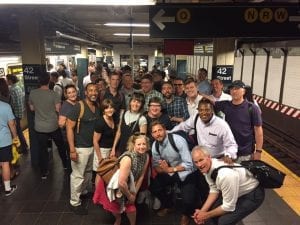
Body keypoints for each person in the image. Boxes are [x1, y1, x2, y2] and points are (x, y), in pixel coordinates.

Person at [150, 121, 208, 225]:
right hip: (170, 171)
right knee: (154, 187)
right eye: (155, 132)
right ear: (152, 135)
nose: (158, 133)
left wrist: (169, 170)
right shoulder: (155, 146)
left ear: (165, 131)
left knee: (188, 200)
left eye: (160, 130)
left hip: (187, 172)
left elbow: (189, 164)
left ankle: (186, 215)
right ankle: (169, 205)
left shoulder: (178, 140)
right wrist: (163, 170)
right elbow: (156, 166)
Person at [191, 146, 265, 225]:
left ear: (209, 157)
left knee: (224, 222)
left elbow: (228, 207)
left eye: (201, 160)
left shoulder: (224, 175)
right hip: (237, 189)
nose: (199, 165)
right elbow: (214, 189)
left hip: (253, 194)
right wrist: (203, 211)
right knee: (212, 214)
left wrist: (206, 215)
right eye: (196, 162)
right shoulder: (207, 168)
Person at [93, 133, 150, 225]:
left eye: (144, 144)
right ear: (133, 145)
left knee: (130, 207)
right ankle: (118, 219)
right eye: (139, 144)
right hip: (115, 184)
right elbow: (121, 183)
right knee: (114, 205)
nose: (142, 147)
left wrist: (134, 193)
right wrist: (130, 195)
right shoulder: (128, 159)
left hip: (127, 183)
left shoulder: (146, 157)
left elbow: (142, 175)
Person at [66, 83, 101, 215]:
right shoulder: (78, 106)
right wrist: (72, 149)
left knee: (88, 172)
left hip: (92, 146)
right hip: (80, 147)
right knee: (77, 176)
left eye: (95, 90)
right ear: (86, 93)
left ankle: (84, 192)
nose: (93, 93)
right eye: (90, 90)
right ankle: (74, 202)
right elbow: (69, 127)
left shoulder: (97, 106)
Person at [171, 98, 238, 162]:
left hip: (217, 159)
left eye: (207, 110)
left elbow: (232, 145)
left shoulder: (222, 125)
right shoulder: (196, 118)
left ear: (212, 110)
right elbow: (183, 126)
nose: (204, 113)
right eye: (201, 110)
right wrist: (169, 133)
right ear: (198, 110)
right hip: (201, 158)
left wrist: (228, 155)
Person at [29, 72, 68, 179]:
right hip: (53, 125)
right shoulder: (53, 94)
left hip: (40, 127)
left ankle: (44, 172)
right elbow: (58, 109)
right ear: (49, 80)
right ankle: (65, 165)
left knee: (43, 150)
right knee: (60, 146)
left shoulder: (33, 93)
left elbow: (32, 108)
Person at [214, 80, 263, 162]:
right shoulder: (226, 105)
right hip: (228, 152)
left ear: (243, 91)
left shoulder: (252, 108)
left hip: (245, 153)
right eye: (232, 89)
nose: (234, 91)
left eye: (237, 88)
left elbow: (258, 131)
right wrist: (199, 94)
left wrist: (258, 151)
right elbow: (212, 102)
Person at [112, 92, 147, 157]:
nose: (135, 104)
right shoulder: (124, 113)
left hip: (133, 152)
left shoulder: (142, 119)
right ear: (130, 102)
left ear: (141, 105)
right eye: (134, 101)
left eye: (138, 102)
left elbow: (143, 139)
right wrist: (114, 148)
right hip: (121, 148)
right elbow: (119, 132)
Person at [93, 99, 117, 185]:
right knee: (100, 174)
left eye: (111, 108)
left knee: (108, 174)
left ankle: (104, 196)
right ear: (103, 110)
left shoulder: (113, 119)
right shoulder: (100, 122)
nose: (109, 110)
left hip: (110, 150)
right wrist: (100, 158)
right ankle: (97, 196)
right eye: (107, 108)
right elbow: (95, 141)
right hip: (101, 151)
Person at [6, 74, 28, 154]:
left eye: (7, 80)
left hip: (15, 113)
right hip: (20, 112)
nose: (6, 81)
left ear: (10, 81)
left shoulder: (12, 89)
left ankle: (24, 146)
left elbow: (13, 103)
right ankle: (24, 145)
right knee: (19, 130)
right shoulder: (18, 87)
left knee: (18, 131)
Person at [0, 100, 18, 196]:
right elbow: (12, 124)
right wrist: (15, 137)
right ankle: (7, 188)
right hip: (4, 139)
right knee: (5, 163)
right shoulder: (5, 106)